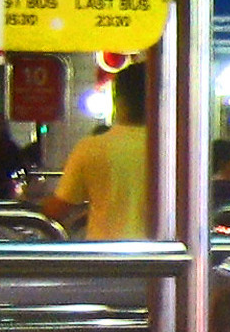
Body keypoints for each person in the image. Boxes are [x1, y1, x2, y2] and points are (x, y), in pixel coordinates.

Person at [44, 62, 150, 240]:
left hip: (104, 257)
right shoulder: (177, 150)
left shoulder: (91, 148)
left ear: (118, 101)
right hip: (163, 258)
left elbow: (57, 209)